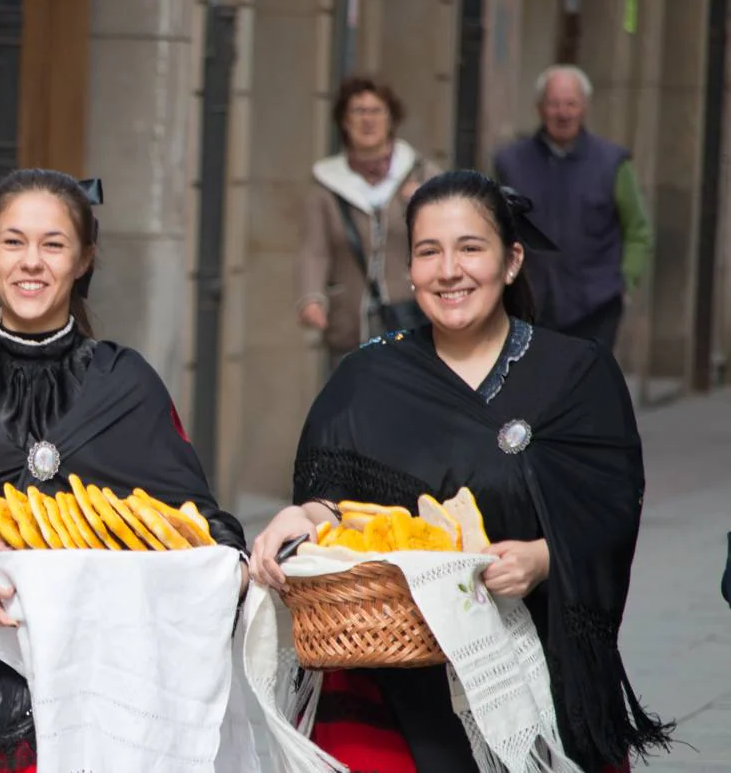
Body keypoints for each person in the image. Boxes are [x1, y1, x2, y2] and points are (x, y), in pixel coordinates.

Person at [252, 170, 671, 772]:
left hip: (539, 672)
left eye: (470, 247)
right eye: (429, 251)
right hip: (390, 676)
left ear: (511, 260)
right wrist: (301, 517)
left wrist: (542, 558)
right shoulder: (365, 378)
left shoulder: (577, 375)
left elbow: (610, 511)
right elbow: (332, 504)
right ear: (410, 268)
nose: (450, 270)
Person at [0, 168, 248, 772]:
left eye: (53, 244)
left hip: (107, 692)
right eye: (14, 242)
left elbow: (200, 524)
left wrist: (230, 568)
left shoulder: (126, 381)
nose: (32, 262)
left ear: (84, 258)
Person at [495, 64, 653, 349]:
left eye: (571, 104)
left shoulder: (613, 163)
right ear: (540, 108)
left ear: (585, 107)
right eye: (554, 104)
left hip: (596, 304)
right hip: (530, 302)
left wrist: (625, 282)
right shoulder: (510, 163)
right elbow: (493, 227)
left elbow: (638, 230)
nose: (563, 113)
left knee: (587, 388)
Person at [296, 76, 441, 368]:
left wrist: (423, 202)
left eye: (376, 111)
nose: (367, 120)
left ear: (391, 118)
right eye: (358, 112)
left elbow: (449, 234)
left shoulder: (421, 173)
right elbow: (314, 249)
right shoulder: (326, 184)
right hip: (349, 323)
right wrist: (312, 298)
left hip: (411, 317)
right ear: (344, 122)